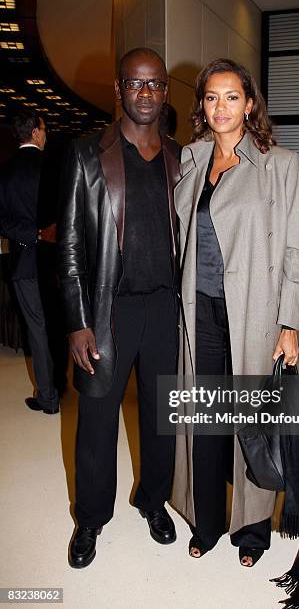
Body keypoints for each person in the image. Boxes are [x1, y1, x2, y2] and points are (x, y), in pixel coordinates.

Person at [171, 59, 299, 566]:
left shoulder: (280, 163)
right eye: (211, 97)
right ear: (201, 105)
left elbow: (296, 247)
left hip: (254, 312)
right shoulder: (191, 159)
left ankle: (252, 531)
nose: (221, 107)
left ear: (250, 104)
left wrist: (289, 321)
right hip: (200, 310)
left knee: (250, 423)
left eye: (232, 96)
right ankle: (206, 520)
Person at [58, 47, 181, 568]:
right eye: (136, 83)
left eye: (154, 85)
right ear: (119, 89)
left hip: (165, 312)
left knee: (161, 419)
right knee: (97, 421)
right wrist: (78, 322)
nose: (146, 93)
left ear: (165, 92)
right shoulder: (88, 157)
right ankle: (90, 518)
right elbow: (67, 248)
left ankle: (153, 502)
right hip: (108, 312)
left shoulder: (182, 158)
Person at [0, 110, 60, 414]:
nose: (46, 134)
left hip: (25, 262)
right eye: (45, 128)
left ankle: (49, 397)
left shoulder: (5, 172)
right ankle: (64, 387)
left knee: (37, 330)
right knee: (62, 325)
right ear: (35, 132)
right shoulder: (56, 168)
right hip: (59, 263)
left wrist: (32, 234)